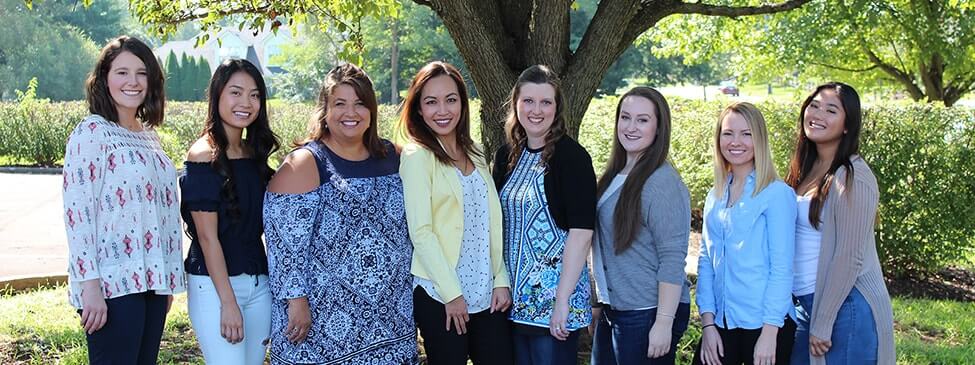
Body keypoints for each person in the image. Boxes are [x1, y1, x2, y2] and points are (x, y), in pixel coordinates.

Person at [262, 63, 418, 364]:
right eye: (340, 104)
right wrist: (296, 302)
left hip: (390, 319)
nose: (351, 113)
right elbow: (284, 245)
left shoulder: (394, 157)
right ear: (325, 110)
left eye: (360, 103)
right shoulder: (305, 164)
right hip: (324, 321)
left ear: (371, 110)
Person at [62, 35, 185, 364]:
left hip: (151, 285)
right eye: (122, 72)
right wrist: (89, 286)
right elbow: (78, 215)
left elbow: (163, 213)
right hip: (112, 287)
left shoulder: (149, 137)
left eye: (142, 73)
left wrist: (164, 281)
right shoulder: (92, 132)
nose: (133, 82)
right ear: (104, 78)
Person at [399, 61, 514, 364]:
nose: (442, 110)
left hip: (486, 291)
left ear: (462, 104)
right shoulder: (418, 156)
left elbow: (490, 221)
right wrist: (452, 294)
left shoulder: (474, 150)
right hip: (441, 293)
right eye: (431, 102)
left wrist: (500, 277)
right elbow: (421, 232)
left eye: (451, 100)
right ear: (419, 109)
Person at [491, 65, 596, 365]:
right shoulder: (506, 156)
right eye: (528, 101)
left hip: (553, 305)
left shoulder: (572, 158)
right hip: (512, 302)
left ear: (557, 107)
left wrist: (561, 301)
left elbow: (581, 232)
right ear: (516, 105)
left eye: (546, 102)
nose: (536, 110)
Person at [785, 83, 895, 365]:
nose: (818, 114)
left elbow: (850, 257)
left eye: (831, 110)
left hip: (845, 308)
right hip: (805, 304)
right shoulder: (805, 168)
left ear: (848, 125)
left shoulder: (853, 176)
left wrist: (823, 321)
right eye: (814, 105)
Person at [180, 59, 280, 364]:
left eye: (254, 95)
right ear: (218, 96)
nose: (245, 103)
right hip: (215, 286)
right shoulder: (203, 155)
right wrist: (228, 302)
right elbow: (208, 239)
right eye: (235, 93)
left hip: (259, 283)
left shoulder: (254, 154)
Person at [589, 87, 691, 365]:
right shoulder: (616, 175)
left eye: (643, 120)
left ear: (659, 128)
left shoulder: (662, 182)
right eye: (625, 117)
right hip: (617, 309)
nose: (631, 127)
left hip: (648, 311)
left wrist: (663, 323)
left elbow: (672, 257)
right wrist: (599, 302)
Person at [695, 102, 797, 365]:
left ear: (759, 139)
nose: (735, 142)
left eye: (746, 133)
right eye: (728, 133)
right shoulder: (715, 195)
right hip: (720, 323)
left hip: (764, 326)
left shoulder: (776, 194)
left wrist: (769, 333)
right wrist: (708, 325)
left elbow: (782, 268)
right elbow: (706, 261)